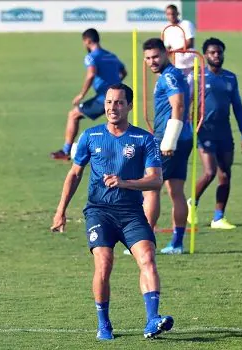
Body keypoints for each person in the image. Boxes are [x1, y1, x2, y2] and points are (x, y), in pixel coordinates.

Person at [50, 83, 174, 340]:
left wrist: (125, 183)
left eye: (118, 102)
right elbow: (74, 174)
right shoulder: (90, 136)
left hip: (131, 212)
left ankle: (152, 320)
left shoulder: (144, 139)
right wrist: (60, 211)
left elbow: (155, 180)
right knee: (104, 264)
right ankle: (104, 324)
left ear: (129, 106)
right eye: (108, 102)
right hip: (99, 212)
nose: (112, 107)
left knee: (148, 258)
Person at [187, 38, 242, 229]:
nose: (216, 55)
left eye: (219, 52)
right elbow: (186, 105)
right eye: (212, 52)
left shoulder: (230, 78)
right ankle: (193, 203)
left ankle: (218, 217)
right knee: (209, 172)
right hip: (204, 131)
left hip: (224, 132)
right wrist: (190, 130)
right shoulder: (197, 77)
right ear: (205, 55)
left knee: (225, 174)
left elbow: (238, 107)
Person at [142, 38, 192, 255]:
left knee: (151, 189)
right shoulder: (169, 75)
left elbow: (178, 106)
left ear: (165, 54)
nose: (152, 61)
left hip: (169, 140)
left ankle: (144, 242)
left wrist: (169, 140)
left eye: (156, 56)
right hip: (183, 137)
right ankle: (177, 243)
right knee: (176, 191)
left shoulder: (170, 76)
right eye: (148, 58)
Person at [50, 28, 127, 161]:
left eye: (84, 42)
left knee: (73, 115)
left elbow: (91, 74)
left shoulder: (91, 57)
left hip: (104, 98)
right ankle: (126, 152)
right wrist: (116, 85)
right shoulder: (111, 55)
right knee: (115, 124)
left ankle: (65, 151)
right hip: (118, 97)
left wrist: (81, 94)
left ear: (87, 41)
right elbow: (124, 71)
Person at [162, 4, 196, 77]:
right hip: (176, 64)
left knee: (191, 86)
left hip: (189, 63)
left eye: (173, 14)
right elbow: (167, 46)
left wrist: (175, 51)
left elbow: (190, 43)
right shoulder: (166, 29)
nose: (171, 16)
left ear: (178, 13)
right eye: (168, 14)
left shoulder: (186, 24)